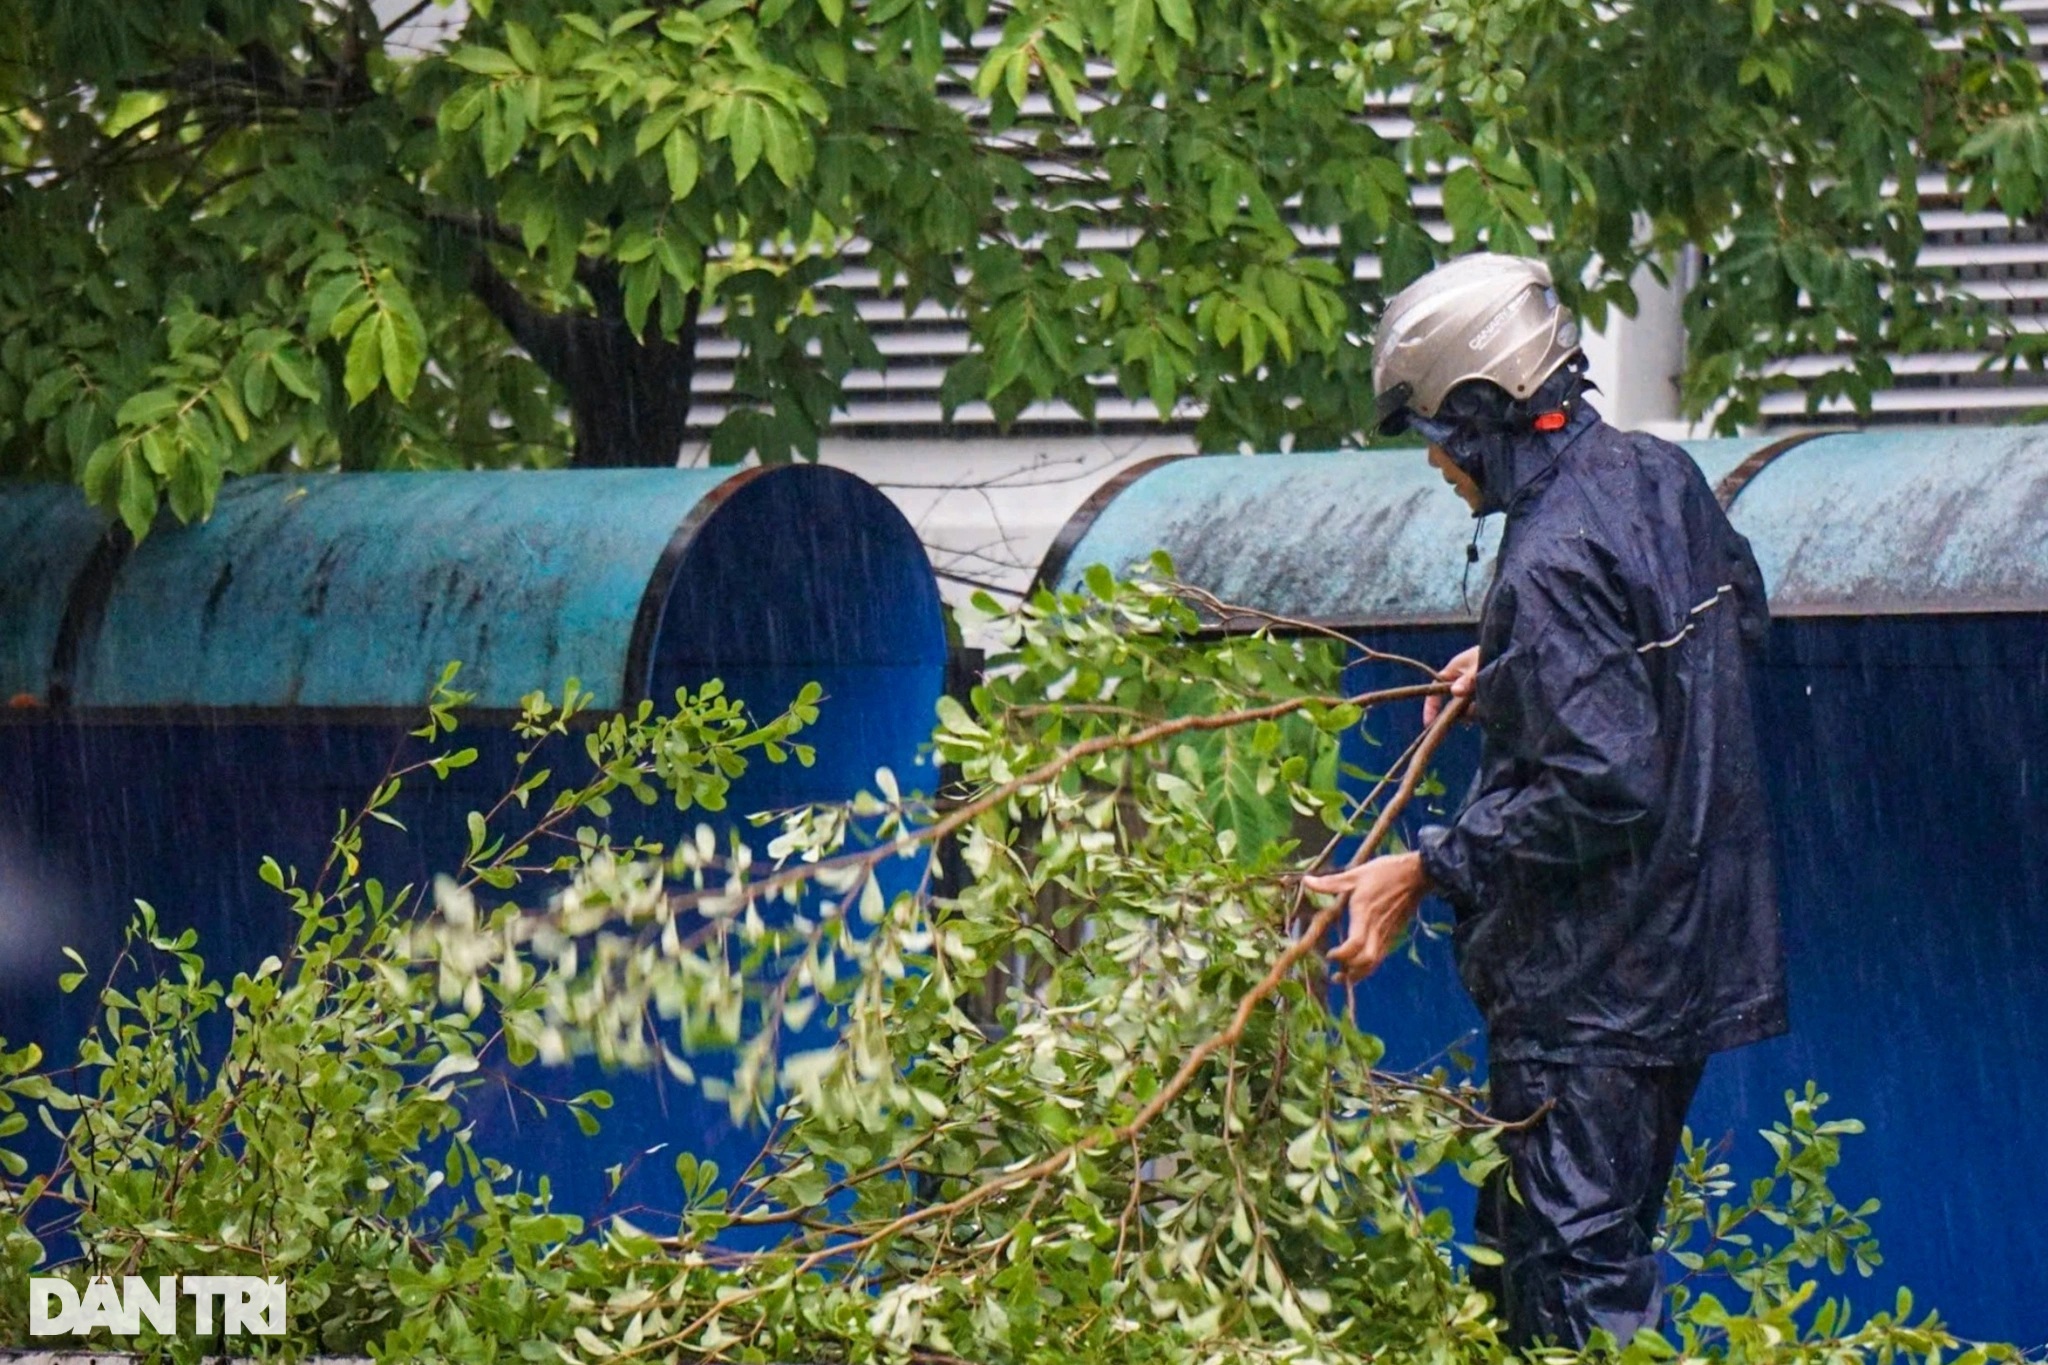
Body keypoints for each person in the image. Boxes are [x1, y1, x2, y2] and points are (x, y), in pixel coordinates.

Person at [1303, 253, 1789, 1348]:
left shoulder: (1550, 555)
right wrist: (1523, 670)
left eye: (1431, 434)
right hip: (1678, 958)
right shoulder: (1653, 478)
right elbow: (1730, 622)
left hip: (1594, 996)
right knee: (1526, 1262)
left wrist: (1427, 865)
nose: (1434, 466)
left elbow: (1600, 779)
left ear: (1477, 413)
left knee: (1570, 1290)